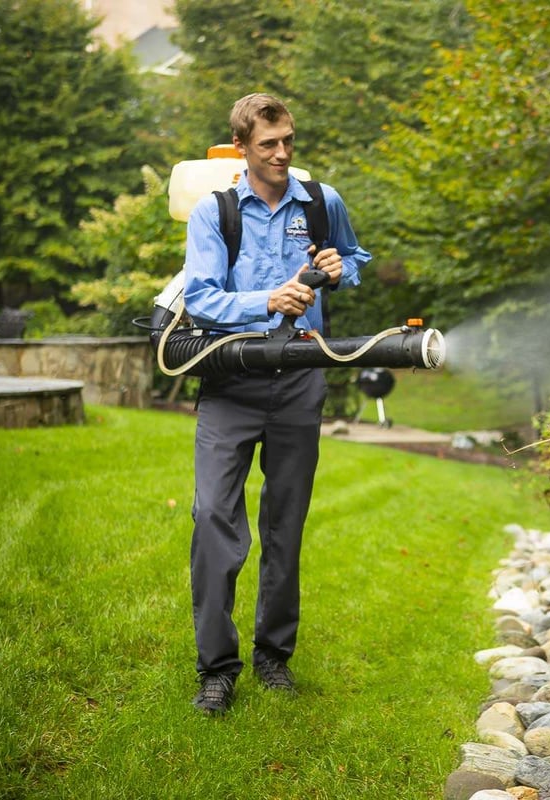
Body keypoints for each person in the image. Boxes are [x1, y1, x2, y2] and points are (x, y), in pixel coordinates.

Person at [182, 92, 371, 715]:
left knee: (284, 526)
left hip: (300, 381)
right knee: (214, 517)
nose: (283, 153)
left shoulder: (322, 201)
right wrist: (267, 300)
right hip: (231, 383)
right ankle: (217, 668)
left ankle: (272, 657)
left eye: (288, 139)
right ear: (242, 148)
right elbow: (202, 297)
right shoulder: (216, 213)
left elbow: (358, 258)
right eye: (269, 144)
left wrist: (342, 269)